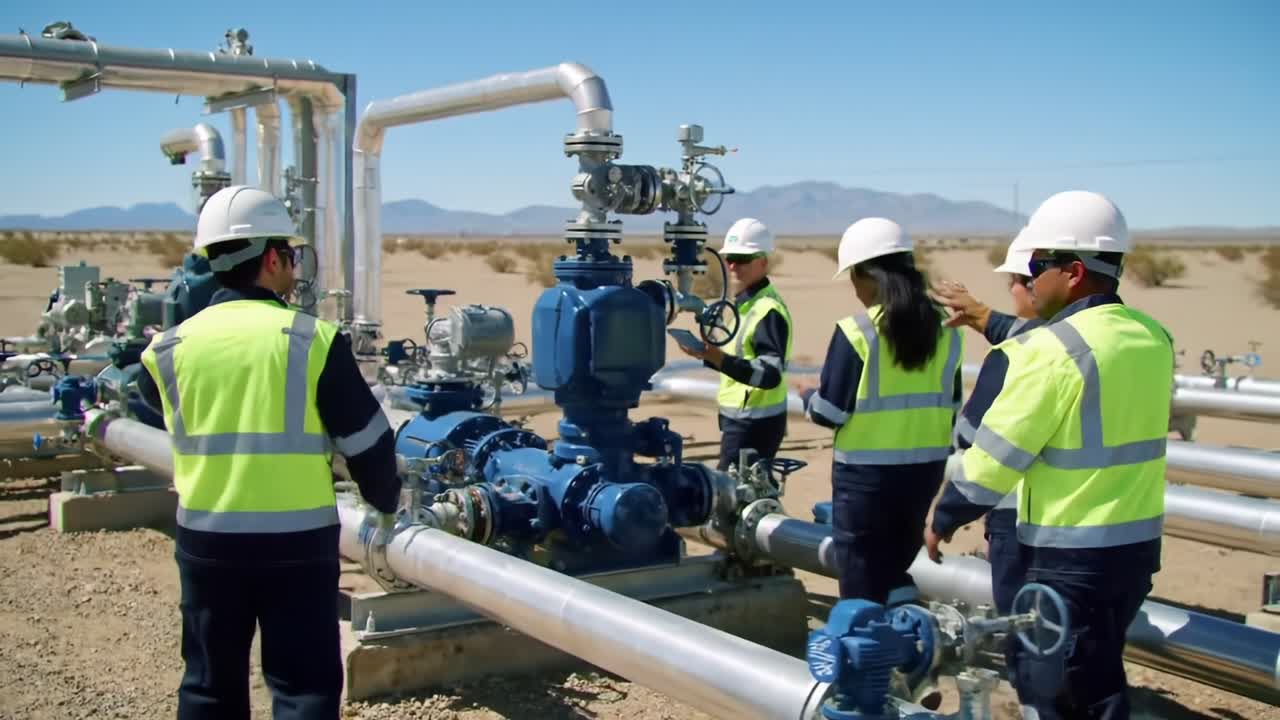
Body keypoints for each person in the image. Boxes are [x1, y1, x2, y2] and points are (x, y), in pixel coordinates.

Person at [136, 186, 401, 720]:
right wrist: (385, 501)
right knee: (303, 688)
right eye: (293, 255)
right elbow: (368, 442)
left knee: (209, 685)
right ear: (273, 259)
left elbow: (149, 407)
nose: (295, 267)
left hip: (207, 542)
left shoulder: (166, 350)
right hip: (296, 546)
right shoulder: (313, 341)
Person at [924, 190, 1172, 719]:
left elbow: (993, 459)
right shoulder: (1153, 338)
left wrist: (946, 515)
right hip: (1134, 551)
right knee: (1099, 676)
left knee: (1054, 692)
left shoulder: (1052, 350)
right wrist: (988, 317)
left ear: (1075, 271)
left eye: (1038, 264)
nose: (1030, 277)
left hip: (1068, 559)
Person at [794, 217, 963, 607]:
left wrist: (807, 395)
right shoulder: (947, 328)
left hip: (866, 481)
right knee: (895, 568)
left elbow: (829, 413)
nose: (853, 289)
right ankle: (904, 649)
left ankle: (870, 659)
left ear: (867, 275)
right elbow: (951, 404)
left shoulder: (857, 332)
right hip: (925, 472)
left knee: (861, 582)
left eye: (853, 277)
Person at [931, 242, 1040, 616]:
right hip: (1104, 533)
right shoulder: (1109, 340)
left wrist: (945, 518)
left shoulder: (1014, 357)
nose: (1010, 290)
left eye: (1013, 281)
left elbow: (977, 444)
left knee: (1025, 631)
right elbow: (1038, 331)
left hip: (1019, 520)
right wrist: (983, 316)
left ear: (1033, 286)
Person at [677, 217, 794, 472]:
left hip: (755, 425)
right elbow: (738, 358)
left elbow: (770, 374)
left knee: (734, 497)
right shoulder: (744, 304)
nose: (732, 265)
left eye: (741, 259)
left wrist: (720, 360)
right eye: (730, 258)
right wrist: (708, 355)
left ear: (762, 262)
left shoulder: (767, 310)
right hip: (740, 421)